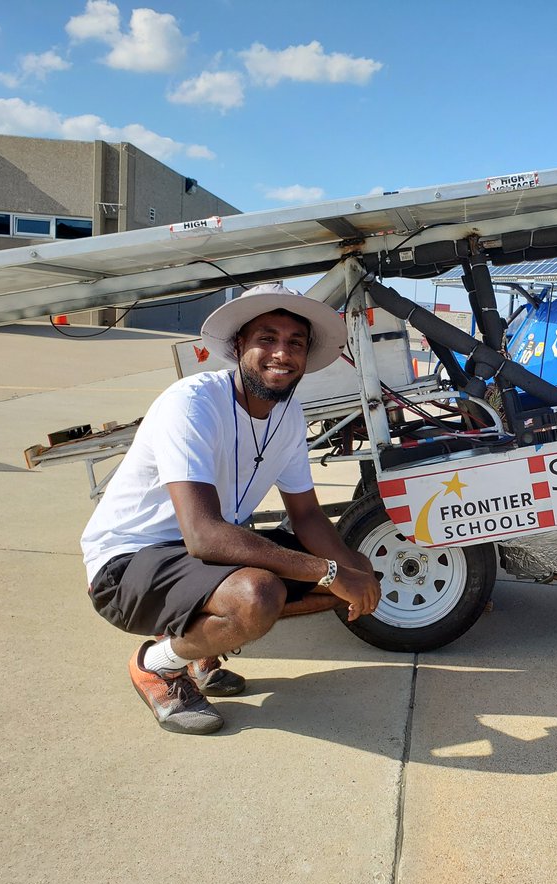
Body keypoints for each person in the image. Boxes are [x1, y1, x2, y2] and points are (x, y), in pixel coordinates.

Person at [81, 283, 382, 734]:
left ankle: (198, 646)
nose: (281, 353)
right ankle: (158, 664)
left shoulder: (288, 414)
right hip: (127, 565)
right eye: (267, 338)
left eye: (294, 343)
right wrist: (330, 572)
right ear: (239, 344)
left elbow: (307, 515)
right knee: (257, 596)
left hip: (199, 558)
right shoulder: (192, 403)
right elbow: (203, 534)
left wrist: (353, 570)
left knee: (358, 577)